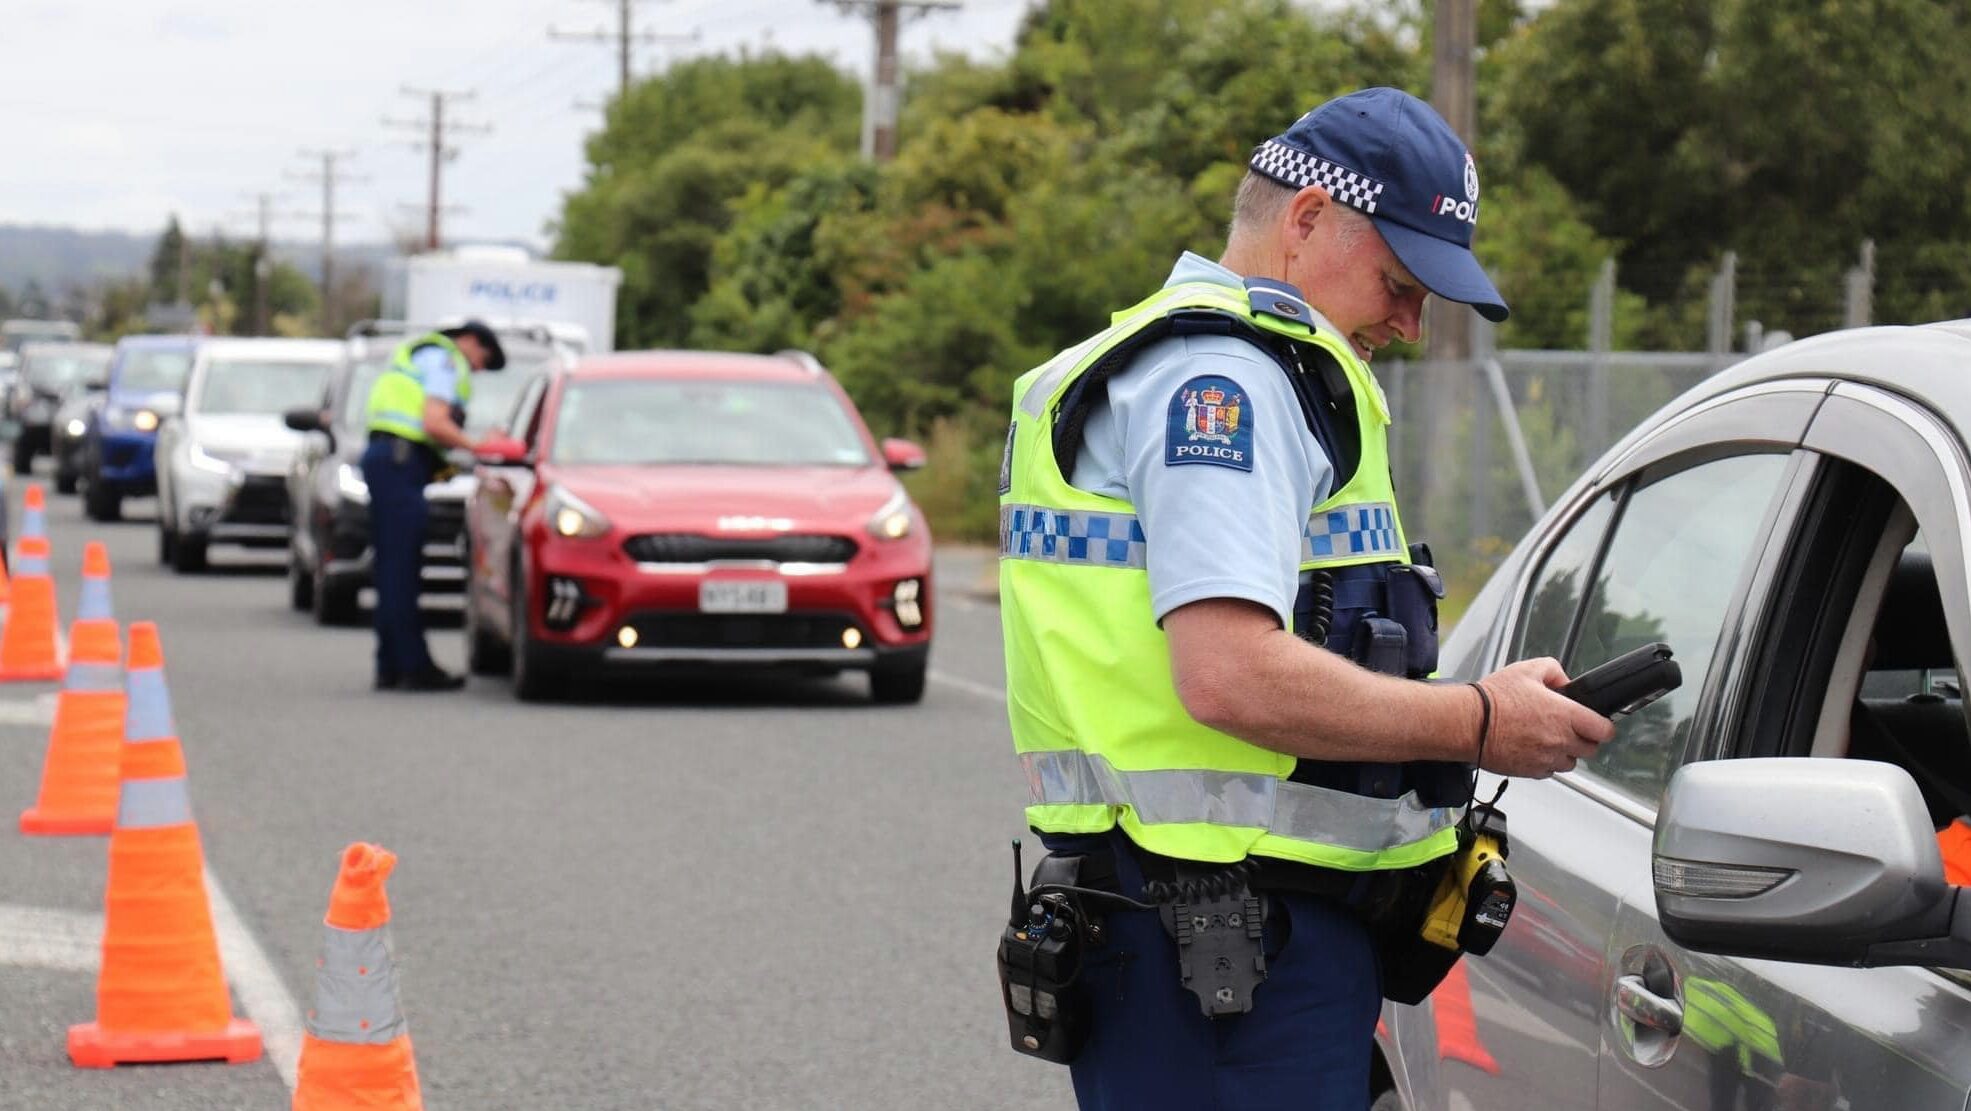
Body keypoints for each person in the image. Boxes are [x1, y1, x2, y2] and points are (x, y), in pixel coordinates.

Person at [997, 87, 1616, 1108]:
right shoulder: (1226, 387)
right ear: (1307, 221)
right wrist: (1479, 721)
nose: (1412, 321)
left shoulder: (1196, 364)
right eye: (1400, 279)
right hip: (1223, 956)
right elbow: (1230, 674)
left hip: (1208, 941)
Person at [363, 320, 503, 692]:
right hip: (399, 464)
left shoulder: (420, 355)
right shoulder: (444, 360)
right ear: (469, 341)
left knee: (392, 569)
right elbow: (434, 422)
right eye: (482, 359)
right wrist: (477, 447)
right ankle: (413, 666)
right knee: (402, 570)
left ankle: (390, 665)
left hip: (389, 459)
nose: (478, 369)